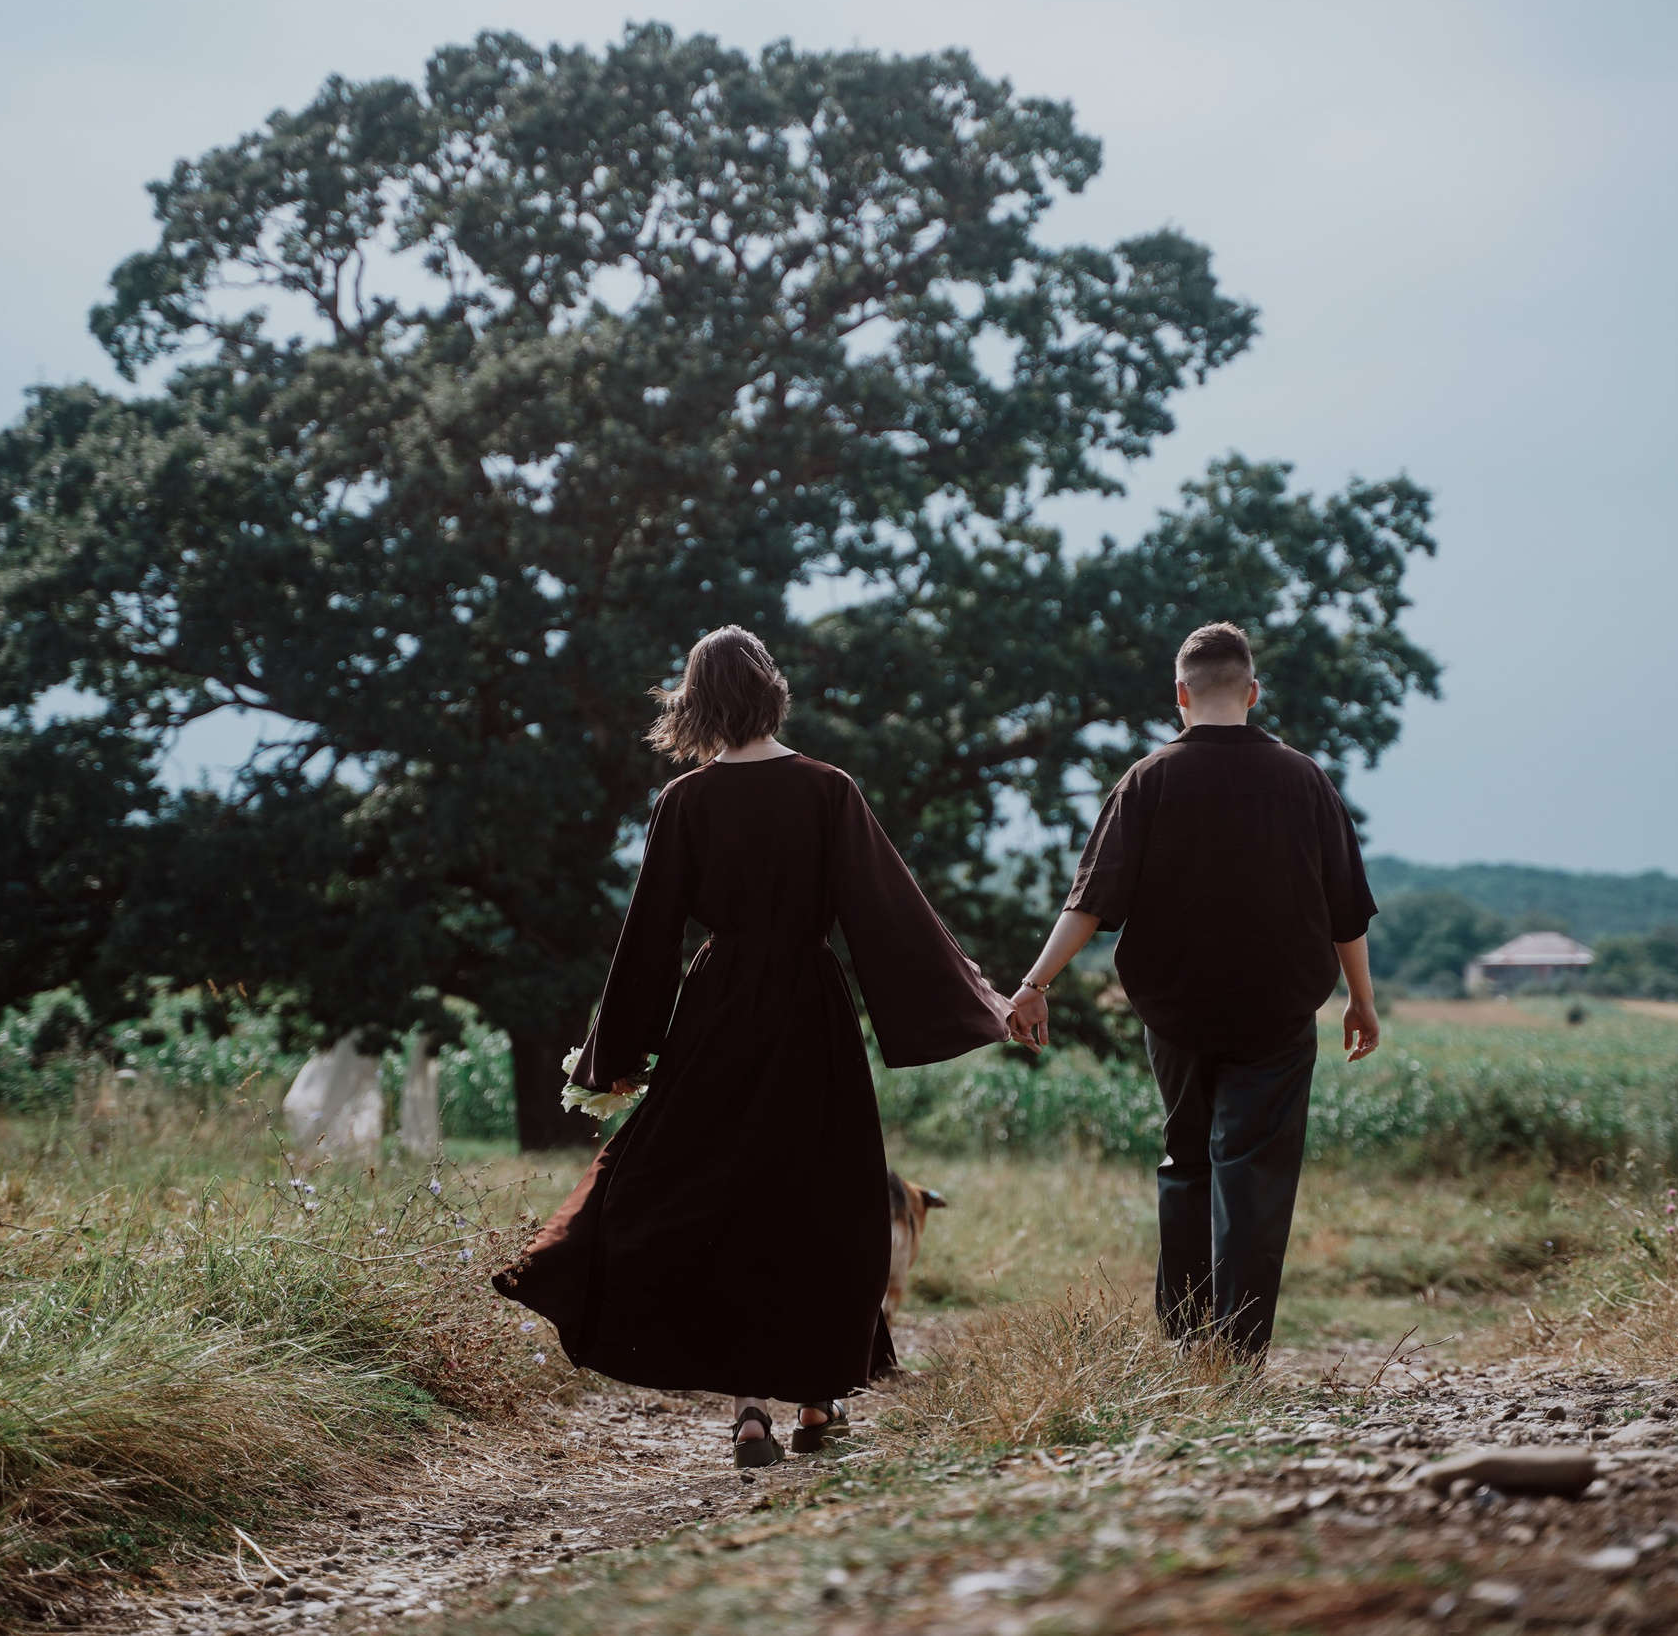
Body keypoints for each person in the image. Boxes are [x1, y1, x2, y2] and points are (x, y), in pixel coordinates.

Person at [493, 626, 1016, 1466]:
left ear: (694, 704)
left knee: (723, 1200)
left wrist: (617, 1052)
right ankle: (815, 1403)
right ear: (774, 690)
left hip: (719, 1014)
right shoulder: (828, 789)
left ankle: (748, 1411)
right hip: (811, 1014)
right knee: (820, 1201)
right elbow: (892, 915)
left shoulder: (686, 803)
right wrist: (983, 1001)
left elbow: (651, 939)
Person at [1008, 621, 1378, 1360]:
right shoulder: (1304, 779)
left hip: (1174, 1014)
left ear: (1179, 694)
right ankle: (1236, 1353)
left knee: (1186, 1161)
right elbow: (1345, 908)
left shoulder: (1147, 781)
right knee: (1255, 1176)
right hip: (1277, 1014)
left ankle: (1184, 1344)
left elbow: (1089, 904)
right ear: (1253, 691)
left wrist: (1033, 983)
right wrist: (1361, 1001)